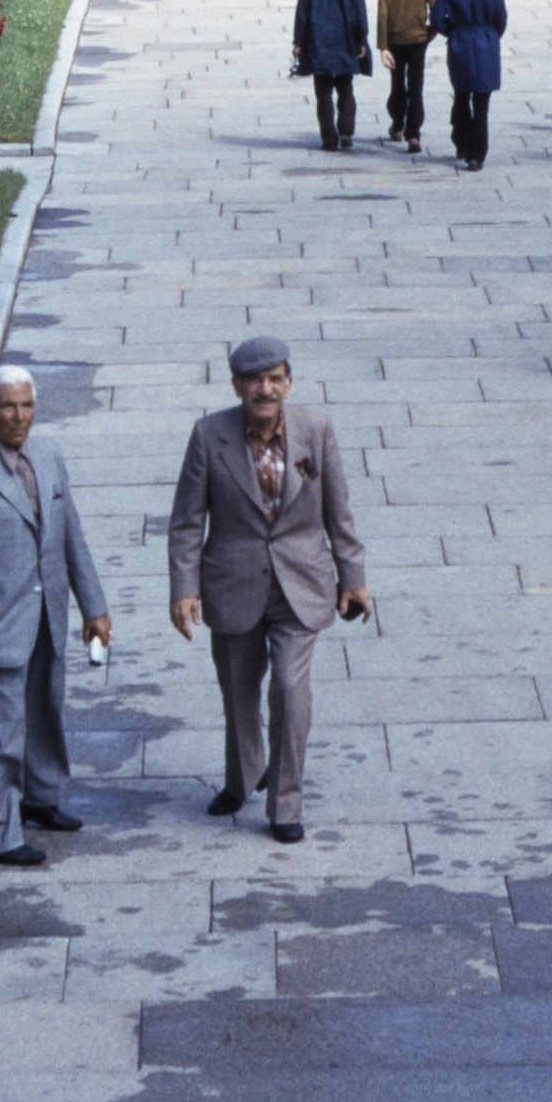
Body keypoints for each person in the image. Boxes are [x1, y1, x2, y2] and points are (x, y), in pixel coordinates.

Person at [169, 336, 370, 844]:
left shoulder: (316, 430)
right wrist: (183, 588)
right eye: (254, 380)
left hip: (301, 583)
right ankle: (240, 780)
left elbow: (338, 512)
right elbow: (188, 523)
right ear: (236, 385)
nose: (266, 389)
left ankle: (285, 803)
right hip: (232, 581)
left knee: (287, 686)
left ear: (289, 382)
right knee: (238, 692)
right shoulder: (208, 434)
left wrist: (354, 578)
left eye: (275, 378)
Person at [0, 365, 111, 868]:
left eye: (26, 405)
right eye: (7, 406)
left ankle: (41, 799)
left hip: (46, 617)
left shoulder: (48, 456)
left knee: (44, 717)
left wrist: (93, 606)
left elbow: (70, 533)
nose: (19, 416)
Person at [429, 0, 509, 171]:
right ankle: (477, 154)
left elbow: (436, 20)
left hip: (460, 43)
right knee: (482, 103)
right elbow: (500, 19)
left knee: (461, 95)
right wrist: (491, 36)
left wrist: (452, 32)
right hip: (485, 42)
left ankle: (462, 142)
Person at [293, 0, 373, 151]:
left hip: (319, 40)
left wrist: (298, 40)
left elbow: (303, 11)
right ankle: (346, 130)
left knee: (323, 92)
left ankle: (329, 138)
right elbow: (360, 11)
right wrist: (361, 39)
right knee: (346, 88)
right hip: (346, 39)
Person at [377, 0, 437, 154]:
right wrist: (429, 33)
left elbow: (382, 16)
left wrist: (383, 47)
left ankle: (397, 124)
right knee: (416, 86)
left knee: (397, 85)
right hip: (418, 41)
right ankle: (414, 135)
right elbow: (437, 11)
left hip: (394, 41)